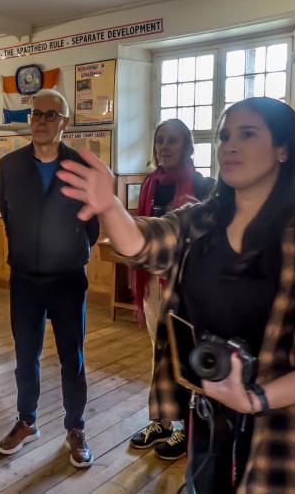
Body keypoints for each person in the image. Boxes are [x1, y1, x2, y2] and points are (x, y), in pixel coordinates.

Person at [56, 97, 295, 493]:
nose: (230, 145)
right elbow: (143, 242)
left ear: (283, 149)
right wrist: (109, 205)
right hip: (208, 423)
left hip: (283, 438)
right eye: (224, 136)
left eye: (247, 134)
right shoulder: (200, 221)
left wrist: (255, 399)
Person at [0, 89, 99, 468]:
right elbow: (8, 215)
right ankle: (27, 421)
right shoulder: (9, 166)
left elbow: (91, 223)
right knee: (26, 356)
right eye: (36, 114)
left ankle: (75, 427)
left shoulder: (81, 167)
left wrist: (66, 251)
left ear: (65, 123)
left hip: (68, 280)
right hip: (24, 279)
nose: (40, 121)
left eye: (50, 115)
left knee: (72, 358)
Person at [128, 119, 214, 458]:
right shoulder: (150, 185)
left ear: (188, 146)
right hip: (152, 283)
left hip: (187, 286)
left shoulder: (205, 186)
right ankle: (162, 422)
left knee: (185, 355)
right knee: (160, 353)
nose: (165, 147)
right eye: (160, 140)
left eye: (173, 141)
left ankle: (184, 428)